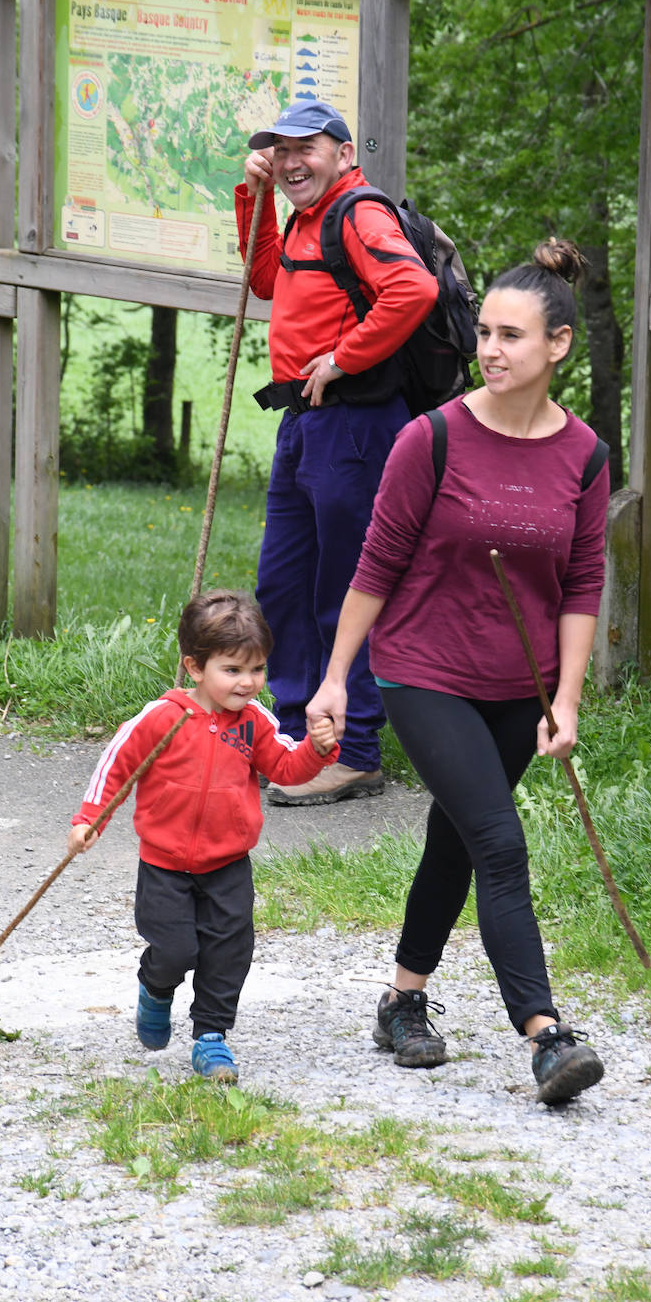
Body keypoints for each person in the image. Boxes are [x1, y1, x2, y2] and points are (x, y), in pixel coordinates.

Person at [306, 240, 609, 1105]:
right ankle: (546, 1035)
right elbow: (376, 563)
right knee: (500, 843)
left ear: (556, 346)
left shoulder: (583, 455)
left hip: (522, 686)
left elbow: (583, 582)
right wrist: (336, 678)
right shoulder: (430, 438)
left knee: (458, 835)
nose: (491, 349)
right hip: (424, 668)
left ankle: (402, 1001)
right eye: (484, 333)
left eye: (512, 336)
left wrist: (568, 700)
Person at [234, 99, 438, 807]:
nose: (291, 160)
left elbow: (414, 287)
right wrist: (253, 197)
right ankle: (295, 738)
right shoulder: (304, 217)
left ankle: (352, 751)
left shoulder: (358, 212)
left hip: (353, 427)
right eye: (279, 149)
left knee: (342, 593)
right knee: (284, 585)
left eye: (306, 147)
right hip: (305, 425)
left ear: (344, 154)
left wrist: (343, 360)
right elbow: (266, 281)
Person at [67, 590, 338, 1082]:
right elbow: (116, 767)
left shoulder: (257, 723)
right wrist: (90, 819)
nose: (248, 682)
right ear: (194, 668)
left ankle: (211, 1039)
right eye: (232, 670)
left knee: (229, 953)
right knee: (175, 951)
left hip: (227, 864)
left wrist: (317, 752)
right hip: (165, 864)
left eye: (256, 669)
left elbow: (286, 767)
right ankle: (155, 987)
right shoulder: (161, 719)